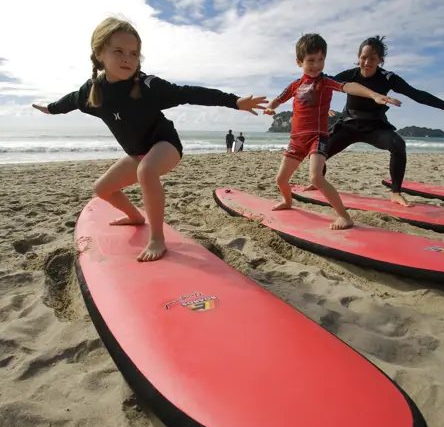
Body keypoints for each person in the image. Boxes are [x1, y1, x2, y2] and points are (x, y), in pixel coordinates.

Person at [32, 17, 268, 262]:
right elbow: (69, 101)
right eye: (119, 51)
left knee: (146, 171)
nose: (127, 58)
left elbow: (189, 93)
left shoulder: (148, 86)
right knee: (101, 189)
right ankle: (135, 216)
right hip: (137, 153)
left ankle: (157, 238)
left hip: (165, 145)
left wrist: (235, 101)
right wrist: (50, 108)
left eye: (134, 53)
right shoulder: (92, 92)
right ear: (99, 54)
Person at [264, 33, 400, 229]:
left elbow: (350, 86)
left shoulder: (325, 81)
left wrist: (374, 94)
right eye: (311, 60)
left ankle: (344, 216)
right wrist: (270, 107)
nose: (317, 65)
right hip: (296, 140)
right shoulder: (295, 85)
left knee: (316, 177)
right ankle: (287, 201)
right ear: (299, 62)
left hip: (316, 137)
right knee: (281, 179)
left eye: (321, 60)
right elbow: (279, 98)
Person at [303, 35, 444, 206]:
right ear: (358, 57)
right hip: (348, 125)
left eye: (372, 58)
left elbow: (417, 94)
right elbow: (323, 85)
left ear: (380, 60)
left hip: (375, 127)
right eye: (363, 58)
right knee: (317, 151)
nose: (367, 62)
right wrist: (322, 107)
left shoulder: (388, 78)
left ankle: (396, 193)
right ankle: (318, 182)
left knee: (398, 145)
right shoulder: (349, 75)